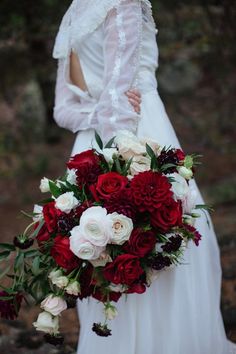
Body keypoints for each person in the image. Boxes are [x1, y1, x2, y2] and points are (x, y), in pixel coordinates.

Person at [52, 0, 235, 353]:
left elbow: (63, 110)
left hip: (89, 144)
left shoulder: (72, 15)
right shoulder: (123, 2)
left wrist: (97, 116)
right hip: (139, 132)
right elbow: (120, 100)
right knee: (158, 241)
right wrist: (114, 124)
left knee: (100, 246)